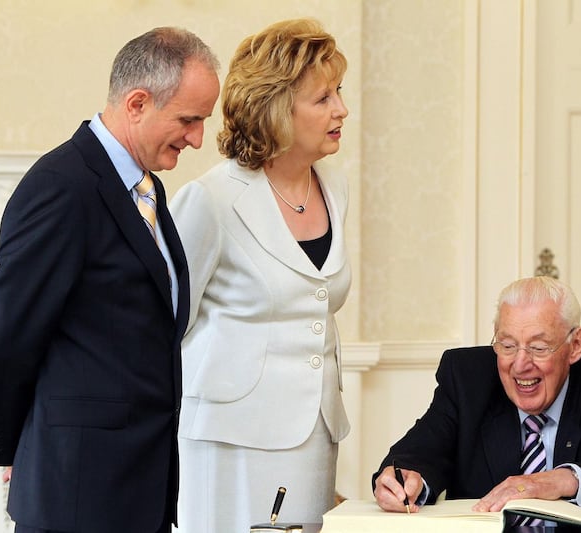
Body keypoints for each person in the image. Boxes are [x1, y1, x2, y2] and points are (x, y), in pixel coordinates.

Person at [0, 27, 220, 533]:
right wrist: (13, 441)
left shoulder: (148, 187)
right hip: (77, 495)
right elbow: (6, 336)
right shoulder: (61, 186)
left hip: (138, 491)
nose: (198, 138)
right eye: (189, 120)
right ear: (136, 103)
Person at [168, 18, 350, 532]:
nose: (341, 109)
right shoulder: (212, 199)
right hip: (228, 440)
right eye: (323, 98)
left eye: (340, 92)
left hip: (316, 432)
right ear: (277, 110)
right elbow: (165, 322)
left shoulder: (335, 186)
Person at [373, 276, 581, 520]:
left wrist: (558, 481)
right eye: (507, 345)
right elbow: (416, 454)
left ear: (576, 345)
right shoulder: (467, 378)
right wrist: (405, 481)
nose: (520, 364)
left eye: (539, 348)